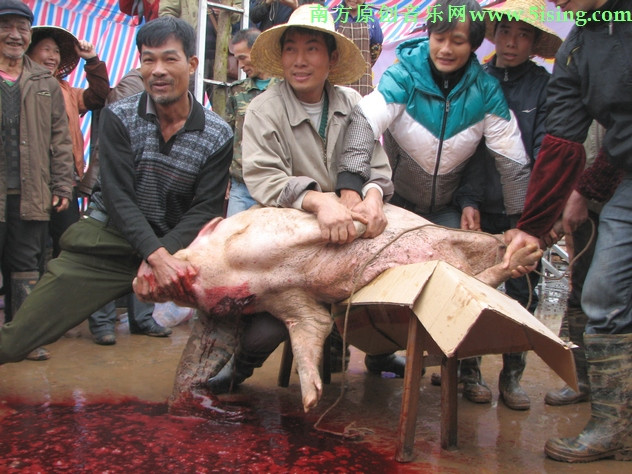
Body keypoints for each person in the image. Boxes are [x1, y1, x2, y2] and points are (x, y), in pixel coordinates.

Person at [0, 15, 233, 364]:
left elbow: (205, 208)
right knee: (17, 338)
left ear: (192, 63)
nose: (157, 70)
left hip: (179, 246)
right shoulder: (120, 116)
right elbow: (117, 195)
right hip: (108, 238)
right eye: (148, 59)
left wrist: (161, 257)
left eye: (170, 58)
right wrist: (154, 256)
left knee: (241, 307)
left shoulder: (218, 133)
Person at [337, 0, 532, 403]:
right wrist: (351, 189)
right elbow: (362, 121)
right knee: (379, 278)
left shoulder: (486, 92)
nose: (445, 48)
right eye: (438, 38)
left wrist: (520, 221)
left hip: (445, 205)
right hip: (395, 200)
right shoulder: (403, 74)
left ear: (474, 45)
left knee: (453, 281)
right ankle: (379, 352)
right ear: (428, 36)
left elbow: (512, 161)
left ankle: (455, 366)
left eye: (457, 41)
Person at [206, 5, 399, 394]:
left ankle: (378, 353)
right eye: (290, 49)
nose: (299, 60)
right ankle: (241, 365)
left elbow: (376, 166)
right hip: (290, 239)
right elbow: (264, 178)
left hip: (349, 232)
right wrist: (318, 201)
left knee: (395, 285)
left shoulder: (350, 104)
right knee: (264, 331)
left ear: (331, 57)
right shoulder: (264, 109)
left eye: (311, 49)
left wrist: (374, 196)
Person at [501, 0, 632, 463]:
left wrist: (586, 188)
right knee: (602, 294)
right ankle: (614, 423)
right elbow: (561, 137)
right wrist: (534, 225)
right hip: (623, 175)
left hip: (616, 169)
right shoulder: (579, 44)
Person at [449, 0, 562, 410]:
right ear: (493, 35)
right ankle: (470, 371)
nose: (512, 42)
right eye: (506, 32)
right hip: (481, 207)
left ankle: (512, 377)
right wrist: (468, 199)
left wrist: (536, 215)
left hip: (525, 213)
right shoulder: (474, 79)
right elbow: (469, 148)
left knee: (522, 292)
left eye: (524, 34)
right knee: (475, 287)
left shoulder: (545, 85)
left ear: (534, 42)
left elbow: (546, 149)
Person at [0, 1, 74, 360]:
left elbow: (60, 139)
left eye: (22, 28)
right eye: (7, 26)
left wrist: (62, 185)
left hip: (31, 190)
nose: (14, 35)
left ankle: (23, 338)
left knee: (27, 263)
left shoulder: (44, 81)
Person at [85, 67, 172, 346]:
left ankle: (143, 318)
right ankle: (102, 322)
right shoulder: (128, 92)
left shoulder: (171, 101)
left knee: (147, 253)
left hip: (148, 192)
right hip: (114, 193)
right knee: (106, 258)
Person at [26, 27, 110, 265]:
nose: (52, 56)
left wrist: (92, 60)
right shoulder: (18, 88)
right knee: (31, 246)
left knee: (67, 242)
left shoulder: (67, 92)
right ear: (29, 54)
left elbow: (99, 95)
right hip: (30, 180)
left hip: (64, 180)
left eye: (56, 51)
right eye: (45, 49)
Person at [544, 122, 609, 407]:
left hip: (609, 196)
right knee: (581, 291)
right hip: (587, 204)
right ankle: (584, 381)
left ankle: (611, 389)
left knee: (613, 297)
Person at [224, 27, 279, 217]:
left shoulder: (284, 89)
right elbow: (227, 136)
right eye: (236, 58)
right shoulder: (236, 92)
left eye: (242, 57)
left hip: (275, 185)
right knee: (231, 240)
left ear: (258, 51)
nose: (239, 65)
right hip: (241, 184)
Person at [333, 0, 383, 96]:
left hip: (363, 83)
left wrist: (361, 67)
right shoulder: (333, 16)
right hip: (338, 81)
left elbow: (376, 50)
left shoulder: (371, 19)